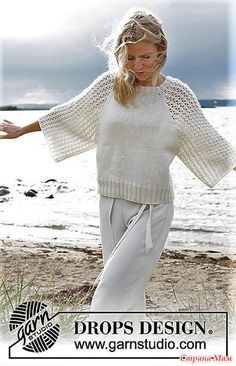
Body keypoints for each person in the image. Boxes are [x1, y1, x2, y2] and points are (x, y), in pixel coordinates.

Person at [1, 8, 236, 334]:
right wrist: (20, 130)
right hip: (110, 202)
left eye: (145, 57)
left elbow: (212, 144)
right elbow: (67, 115)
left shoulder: (177, 96)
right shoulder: (110, 87)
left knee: (109, 292)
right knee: (129, 296)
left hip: (151, 210)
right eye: (130, 58)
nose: (137, 65)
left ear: (161, 52)